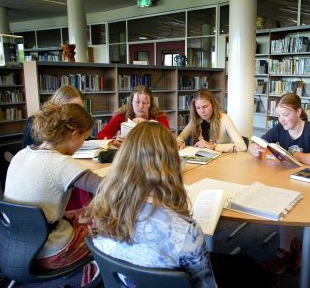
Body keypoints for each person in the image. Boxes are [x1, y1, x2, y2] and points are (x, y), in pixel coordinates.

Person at [87, 121, 272, 288]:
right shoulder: (184, 230)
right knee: (249, 268)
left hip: (125, 282)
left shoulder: (101, 207)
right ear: (171, 163)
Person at [4, 102, 103, 278]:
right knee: (106, 228)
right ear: (74, 134)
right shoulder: (62, 164)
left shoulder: (21, 154)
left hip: (14, 245)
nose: (83, 144)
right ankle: (94, 276)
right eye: (84, 139)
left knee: (82, 213)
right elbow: (108, 188)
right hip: (50, 253)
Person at [248, 92, 310, 275]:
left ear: (299, 111)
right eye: (278, 115)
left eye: (286, 114)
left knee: (280, 204)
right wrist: (253, 148)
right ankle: (290, 242)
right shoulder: (279, 129)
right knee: (265, 201)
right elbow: (256, 143)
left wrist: (292, 154)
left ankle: (284, 252)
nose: (281, 120)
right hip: (289, 182)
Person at [21, 85, 90, 211]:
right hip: (48, 182)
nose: (77, 114)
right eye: (72, 109)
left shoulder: (22, 156)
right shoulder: (35, 124)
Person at [96, 85, 170, 147]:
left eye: (145, 103)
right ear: (131, 102)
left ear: (150, 104)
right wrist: (113, 141)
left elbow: (168, 138)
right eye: (137, 102)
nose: (141, 106)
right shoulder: (122, 116)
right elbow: (101, 135)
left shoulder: (159, 116)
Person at [176, 89, 246, 152]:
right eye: (198, 108)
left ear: (213, 104)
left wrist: (214, 146)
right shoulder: (195, 120)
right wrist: (180, 142)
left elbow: (242, 147)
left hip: (224, 160)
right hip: (205, 160)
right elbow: (180, 137)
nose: (202, 111)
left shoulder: (224, 119)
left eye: (205, 106)